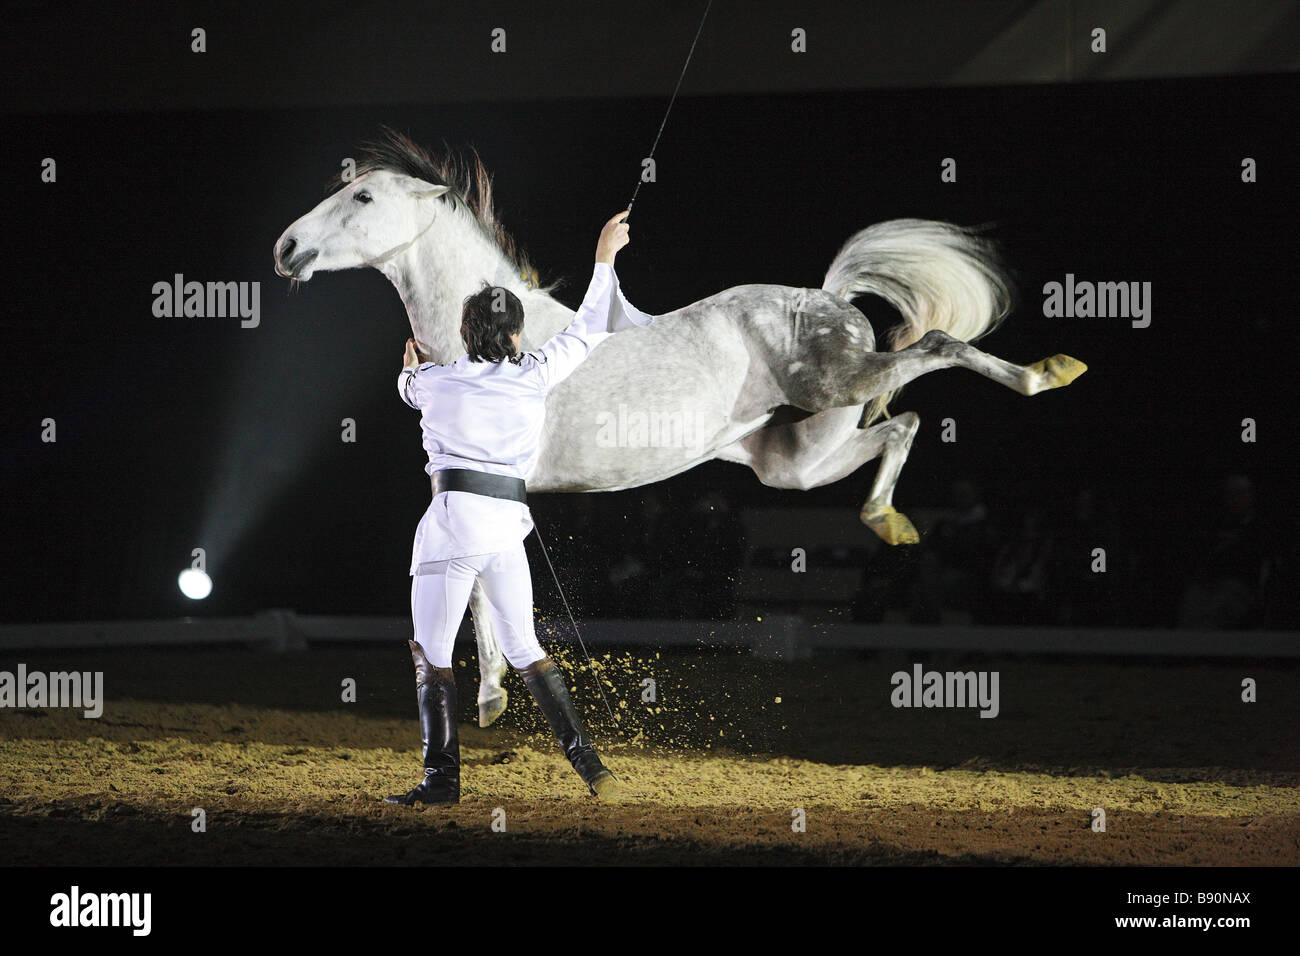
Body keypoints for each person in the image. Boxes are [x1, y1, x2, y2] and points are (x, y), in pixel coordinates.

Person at [387, 211, 652, 805]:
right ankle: (592, 770)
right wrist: (605, 257)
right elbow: (588, 328)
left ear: (467, 332)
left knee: (432, 653)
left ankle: (441, 781)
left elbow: (408, 389)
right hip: (507, 531)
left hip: (451, 529)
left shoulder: (437, 382)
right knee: (525, 647)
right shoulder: (533, 375)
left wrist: (409, 375)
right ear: (514, 337)